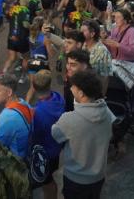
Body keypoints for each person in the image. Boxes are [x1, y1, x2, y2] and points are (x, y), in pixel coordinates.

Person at [51, 70, 114, 199]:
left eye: (73, 86)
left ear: (80, 93)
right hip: (98, 176)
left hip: (76, 178)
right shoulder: (107, 112)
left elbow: (55, 134)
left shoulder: (69, 119)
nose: (71, 88)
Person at [30, 70, 64, 198]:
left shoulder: (38, 113)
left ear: (34, 87)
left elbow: (35, 136)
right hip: (56, 148)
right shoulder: (57, 97)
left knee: (47, 182)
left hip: (45, 153)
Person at [0, 73, 32, 158]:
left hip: (19, 161)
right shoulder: (23, 103)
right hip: (30, 151)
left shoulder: (6, 117)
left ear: (9, 92)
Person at [81, 20, 112, 95]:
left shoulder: (102, 51)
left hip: (94, 91)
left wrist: (101, 95)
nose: (80, 33)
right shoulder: (83, 45)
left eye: (83, 31)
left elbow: (105, 77)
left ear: (92, 34)